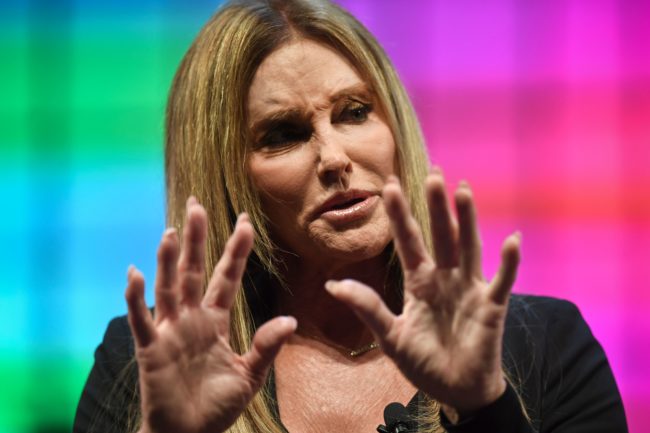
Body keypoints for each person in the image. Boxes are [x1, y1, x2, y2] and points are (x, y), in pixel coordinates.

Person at [74, 1, 628, 432]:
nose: (334, 157)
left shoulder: (547, 345)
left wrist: (486, 408)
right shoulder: (142, 362)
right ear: (224, 175)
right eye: (284, 134)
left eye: (355, 112)